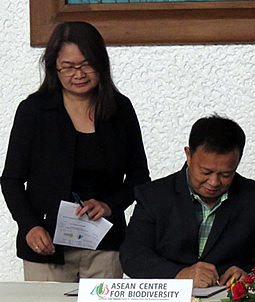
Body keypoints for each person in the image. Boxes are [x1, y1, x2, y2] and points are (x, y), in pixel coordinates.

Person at [0, 21, 150, 281]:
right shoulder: (34, 110)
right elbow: (11, 180)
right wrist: (29, 225)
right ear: (54, 68)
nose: (78, 74)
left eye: (86, 65)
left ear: (101, 64)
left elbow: (139, 178)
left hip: (104, 245)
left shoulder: (120, 109)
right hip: (46, 245)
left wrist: (110, 205)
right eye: (68, 67)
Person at [119, 115, 255, 288]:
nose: (214, 182)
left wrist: (250, 276)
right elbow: (132, 256)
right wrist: (180, 275)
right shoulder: (154, 196)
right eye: (205, 172)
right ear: (188, 155)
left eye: (226, 174)